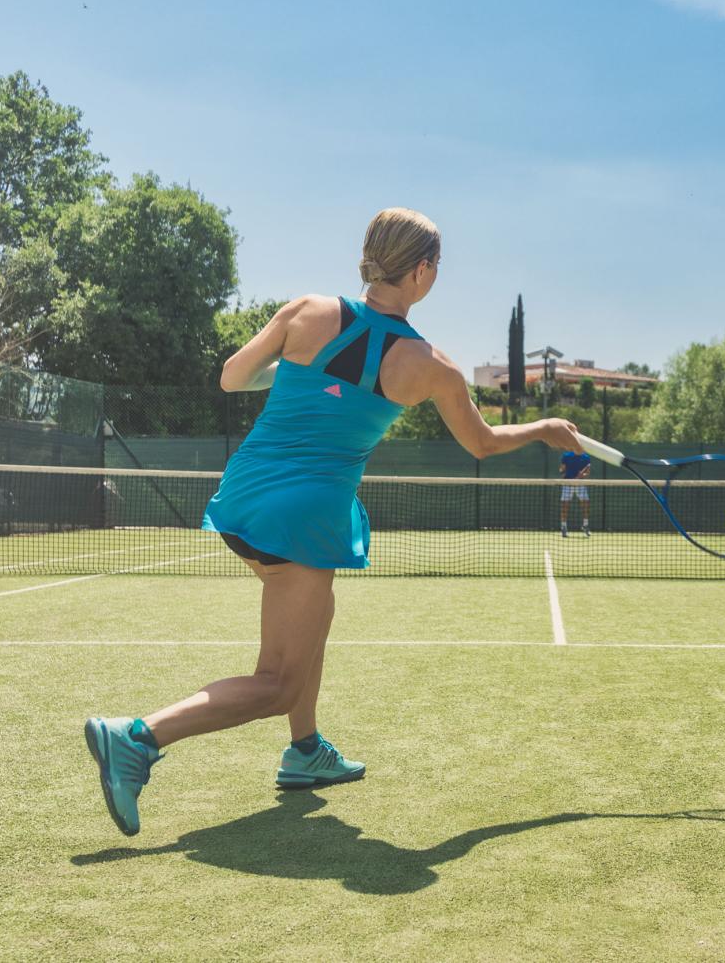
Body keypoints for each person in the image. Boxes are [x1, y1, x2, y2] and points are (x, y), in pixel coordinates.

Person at [83, 208, 582, 837]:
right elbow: (482, 444)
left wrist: (305, 374)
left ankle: (306, 750)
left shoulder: (304, 312)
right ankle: (136, 738)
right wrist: (546, 428)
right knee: (276, 685)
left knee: (315, 618)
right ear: (422, 271)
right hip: (304, 519)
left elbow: (233, 377)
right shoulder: (432, 367)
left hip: (243, 498)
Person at [558, 450, 591, 537]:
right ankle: (564, 527)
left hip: (580, 485)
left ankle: (585, 525)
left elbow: (587, 473)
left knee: (586, 505)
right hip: (567, 484)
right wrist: (562, 471)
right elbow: (561, 469)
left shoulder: (586, 457)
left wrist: (582, 475)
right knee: (564, 507)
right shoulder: (566, 455)